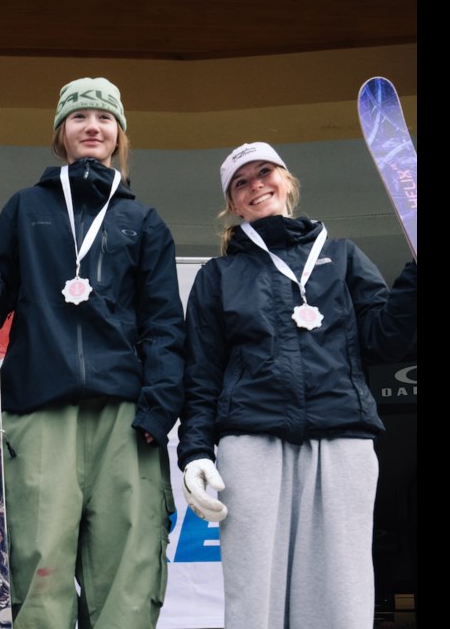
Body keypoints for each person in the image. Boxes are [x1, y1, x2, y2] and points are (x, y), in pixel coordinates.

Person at [0, 77, 185, 628]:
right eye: (79, 118)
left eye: (104, 119)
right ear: (62, 134)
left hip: (126, 418)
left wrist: (158, 409)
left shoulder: (142, 221)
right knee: (38, 562)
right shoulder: (25, 208)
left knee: (128, 573)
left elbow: (165, 326)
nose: (92, 127)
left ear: (119, 135)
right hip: (38, 407)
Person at [177, 142, 417, 629]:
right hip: (252, 439)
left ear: (287, 181)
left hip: (342, 435)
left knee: (340, 590)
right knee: (254, 592)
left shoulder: (343, 256)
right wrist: (195, 451)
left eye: (264, 173)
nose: (255, 186)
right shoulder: (218, 275)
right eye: (240, 183)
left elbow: (384, 339)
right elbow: (201, 372)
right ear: (232, 205)